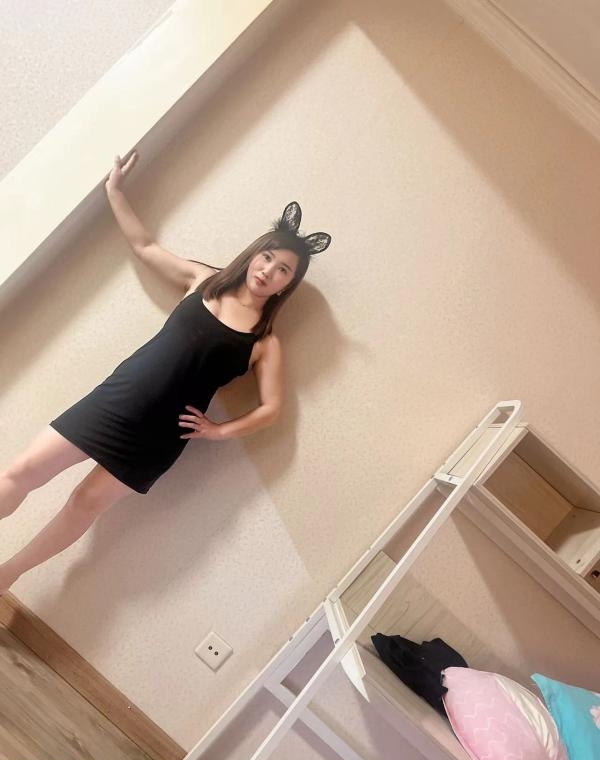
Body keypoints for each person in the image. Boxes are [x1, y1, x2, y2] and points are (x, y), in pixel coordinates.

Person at [0, 150, 331, 594]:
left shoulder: (264, 343)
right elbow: (145, 247)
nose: (269, 270)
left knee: (83, 504)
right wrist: (115, 191)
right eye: (268, 257)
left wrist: (218, 431)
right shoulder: (203, 279)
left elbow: (272, 408)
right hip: (116, 399)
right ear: (255, 254)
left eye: (283, 269)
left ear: (288, 284)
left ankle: (7, 575)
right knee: (22, 470)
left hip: (158, 437)